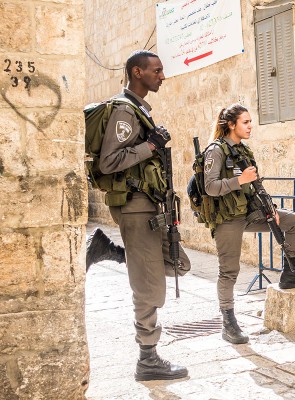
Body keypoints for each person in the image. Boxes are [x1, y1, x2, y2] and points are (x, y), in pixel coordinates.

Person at [97, 49, 189, 381]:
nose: (162, 76)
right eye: (156, 71)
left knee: (176, 262)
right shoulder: (125, 111)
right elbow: (107, 162)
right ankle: (148, 358)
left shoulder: (139, 110)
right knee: (148, 282)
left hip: (148, 207)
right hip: (135, 207)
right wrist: (150, 146)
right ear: (137, 72)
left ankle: (109, 251)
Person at [203, 103, 295, 344]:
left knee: (293, 221)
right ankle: (228, 322)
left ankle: (289, 273)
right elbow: (210, 187)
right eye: (245, 122)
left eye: (251, 121)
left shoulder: (244, 151)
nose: (250, 126)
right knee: (229, 271)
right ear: (231, 125)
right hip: (227, 219)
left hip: (249, 213)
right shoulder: (216, 150)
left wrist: (271, 208)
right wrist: (238, 180)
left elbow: (255, 185)